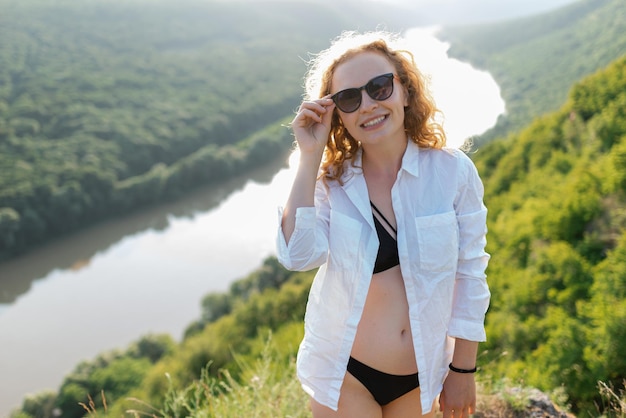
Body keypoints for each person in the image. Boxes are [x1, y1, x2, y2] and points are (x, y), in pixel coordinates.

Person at [276, 30, 490, 418]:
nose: (368, 105)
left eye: (379, 87)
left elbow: (471, 271)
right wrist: (309, 156)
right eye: (349, 98)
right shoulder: (330, 183)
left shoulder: (452, 171)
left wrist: (463, 368)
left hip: (422, 375)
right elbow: (297, 255)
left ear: (405, 91)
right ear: (337, 112)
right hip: (346, 374)